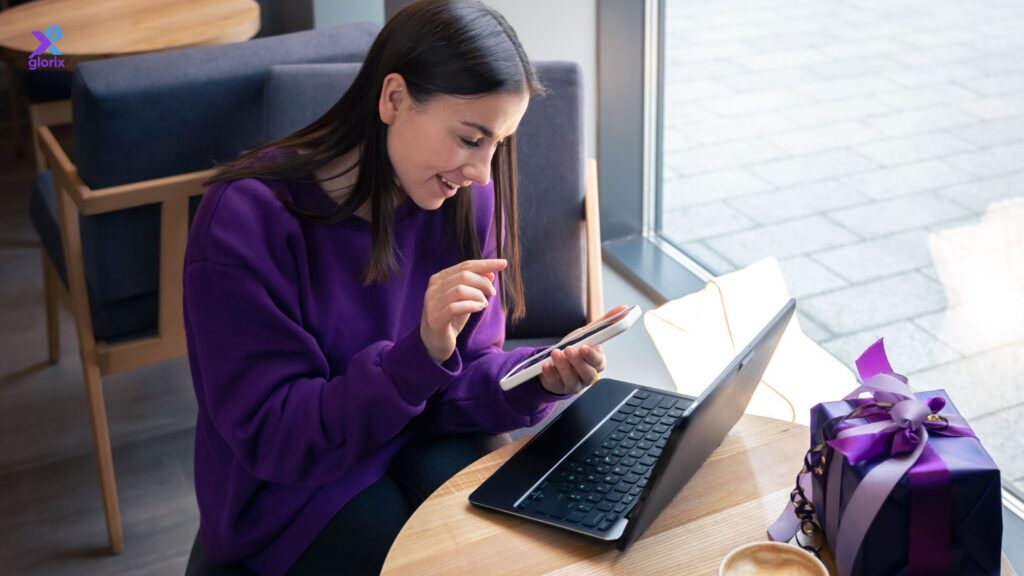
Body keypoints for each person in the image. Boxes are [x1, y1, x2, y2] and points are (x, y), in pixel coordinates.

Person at [183, 1, 622, 574]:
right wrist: (417, 357)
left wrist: (535, 378)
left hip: (419, 437)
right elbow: (275, 436)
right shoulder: (245, 220)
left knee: (525, 553)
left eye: (499, 144)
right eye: (470, 138)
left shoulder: (465, 199)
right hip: (294, 492)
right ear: (393, 99)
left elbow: (461, 378)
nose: (483, 172)